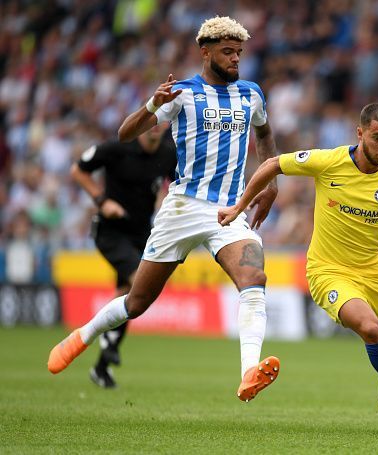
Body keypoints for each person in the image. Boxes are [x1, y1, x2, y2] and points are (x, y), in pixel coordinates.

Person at [48, 16, 280, 402]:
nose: (236, 59)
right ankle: (82, 336)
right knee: (137, 302)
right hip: (183, 208)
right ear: (205, 52)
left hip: (229, 209)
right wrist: (153, 103)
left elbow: (265, 133)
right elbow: (125, 134)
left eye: (239, 52)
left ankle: (248, 372)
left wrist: (270, 180)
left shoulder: (252, 94)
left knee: (254, 279)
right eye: (227, 52)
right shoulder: (183, 94)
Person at [218, 103, 378, 427]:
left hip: (373, 271)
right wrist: (240, 205)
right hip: (328, 271)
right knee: (371, 329)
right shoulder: (330, 162)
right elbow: (272, 164)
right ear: (360, 133)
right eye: (377, 137)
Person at [70, 123, 176, 388]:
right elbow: (78, 170)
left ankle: (103, 364)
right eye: (149, 122)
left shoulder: (168, 153)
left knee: (128, 295)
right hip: (111, 232)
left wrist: (163, 197)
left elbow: (174, 182)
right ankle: (107, 343)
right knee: (137, 282)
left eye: (159, 121)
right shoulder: (116, 148)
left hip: (143, 233)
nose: (154, 127)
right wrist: (102, 200)